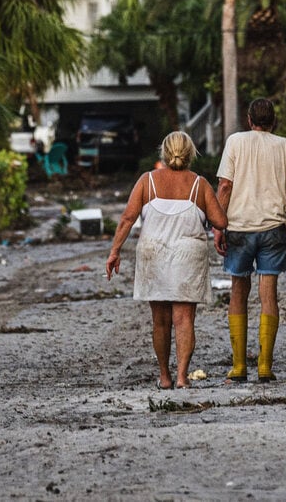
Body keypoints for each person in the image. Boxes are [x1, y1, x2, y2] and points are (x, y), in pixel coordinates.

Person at [106, 131, 227, 389]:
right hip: (187, 255)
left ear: (163, 152)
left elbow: (128, 218)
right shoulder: (199, 184)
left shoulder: (147, 181)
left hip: (154, 254)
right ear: (191, 153)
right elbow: (220, 222)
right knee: (184, 320)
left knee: (160, 321)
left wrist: (115, 251)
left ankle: (164, 376)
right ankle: (183, 377)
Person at [213, 99, 286, 383]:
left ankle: (239, 367)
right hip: (274, 230)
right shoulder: (285, 146)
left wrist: (218, 226)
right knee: (269, 295)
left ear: (249, 119)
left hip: (239, 229)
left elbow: (225, 186)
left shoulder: (235, 142)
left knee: (238, 293)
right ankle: (265, 366)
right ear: (273, 122)